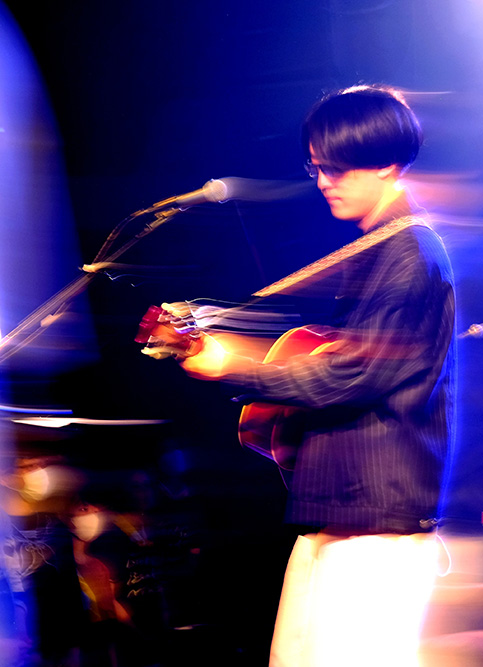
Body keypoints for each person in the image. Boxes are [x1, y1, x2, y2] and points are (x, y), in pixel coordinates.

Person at [169, 84, 455, 666]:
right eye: (316, 166)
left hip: (376, 526)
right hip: (340, 511)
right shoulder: (381, 248)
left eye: (338, 168)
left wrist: (233, 366)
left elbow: (350, 375)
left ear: (387, 164)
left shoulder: (410, 253)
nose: (324, 180)